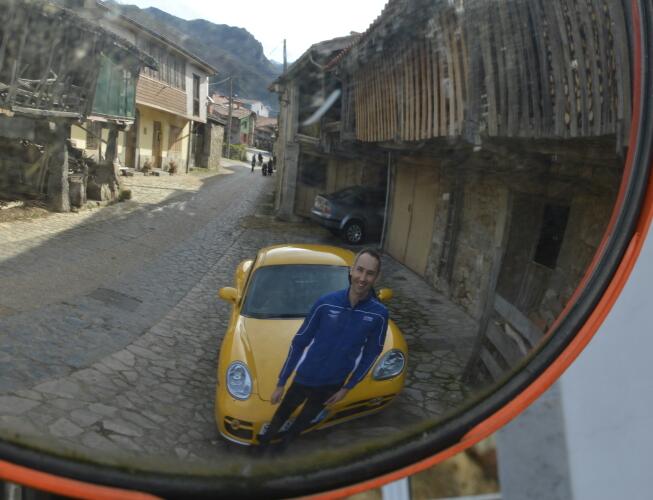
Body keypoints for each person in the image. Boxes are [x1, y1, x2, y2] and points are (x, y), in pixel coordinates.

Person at [257, 248, 388, 449]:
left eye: (370, 273)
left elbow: (372, 353)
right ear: (351, 271)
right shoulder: (326, 303)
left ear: (376, 277)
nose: (362, 278)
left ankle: (283, 447)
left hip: (332, 384)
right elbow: (300, 342)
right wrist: (282, 382)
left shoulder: (379, 314)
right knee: (280, 416)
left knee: (302, 422)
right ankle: (264, 446)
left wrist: (347, 387)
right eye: (359, 270)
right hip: (304, 378)